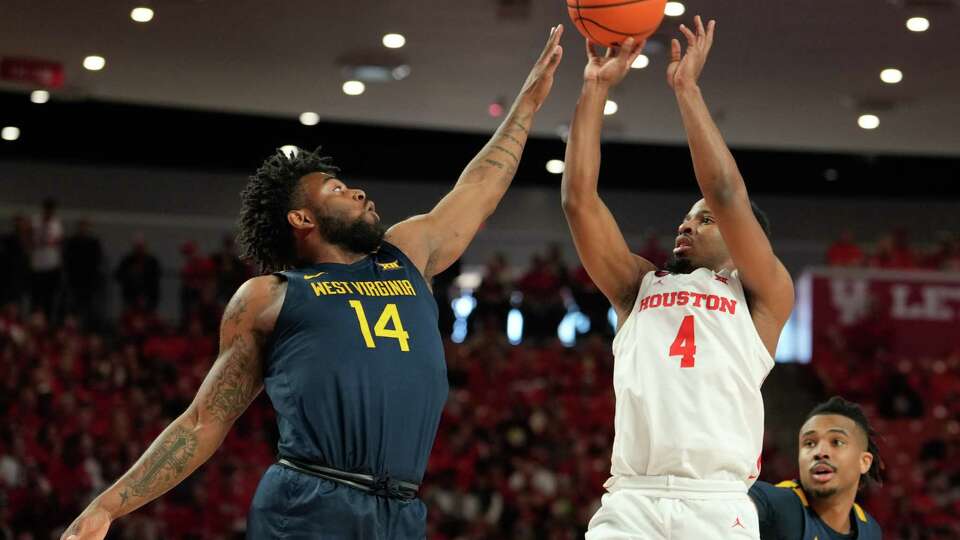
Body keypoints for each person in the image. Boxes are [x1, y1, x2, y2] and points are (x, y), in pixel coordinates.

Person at [61, 25, 564, 540]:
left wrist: (527, 104)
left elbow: (478, 188)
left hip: (402, 510)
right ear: (302, 220)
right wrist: (108, 505)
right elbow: (201, 422)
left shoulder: (406, 254)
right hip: (310, 504)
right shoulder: (270, 297)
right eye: (338, 189)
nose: (360, 193)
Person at [560, 16, 795, 539]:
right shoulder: (636, 287)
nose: (687, 222)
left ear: (743, 239)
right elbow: (578, 201)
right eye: (688, 217)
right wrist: (594, 89)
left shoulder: (762, 298)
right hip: (631, 500)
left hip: (716, 505)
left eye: (705, 218)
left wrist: (685, 88)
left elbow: (727, 194)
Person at [749, 396, 883, 539]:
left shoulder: (870, 530)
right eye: (809, 443)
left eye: (836, 442)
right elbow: (735, 497)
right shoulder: (780, 504)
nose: (820, 452)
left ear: (864, 462)